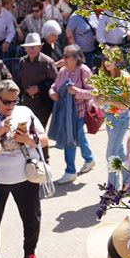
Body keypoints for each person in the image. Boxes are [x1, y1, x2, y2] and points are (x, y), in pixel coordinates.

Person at [0, 79, 46, 258]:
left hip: (25, 175)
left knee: (32, 218)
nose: (11, 106)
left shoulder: (25, 112)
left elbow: (44, 139)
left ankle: (30, 256)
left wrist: (27, 139)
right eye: (6, 102)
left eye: (14, 101)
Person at [47, 45, 95, 181]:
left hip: (79, 113)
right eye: (64, 55)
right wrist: (52, 92)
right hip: (64, 113)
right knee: (78, 137)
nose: (64, 59)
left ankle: (70, 171)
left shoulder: (84, 71)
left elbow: (95, 92)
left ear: (77, 58)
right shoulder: (63, 71)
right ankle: (89, 159)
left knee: (70, 140)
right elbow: (54, 87)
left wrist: (77, 92)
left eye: (67, 56)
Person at [98, 57, 130, 192]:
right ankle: (129, 182)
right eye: (105, 59)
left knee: (111, 154)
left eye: (110, 59)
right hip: (109, 117)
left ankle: (111, 189)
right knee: (119, 152)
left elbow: (127, 103)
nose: (107, 62)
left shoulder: (124, 77)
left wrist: (107, 99)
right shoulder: (105, 77)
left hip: (121, 118)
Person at [14, 31, 57, 128]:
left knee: (39, 128)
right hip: (27, 101)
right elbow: (20, 81)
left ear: (40, 47)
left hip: (43, 102)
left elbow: (55, 82)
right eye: (28, 47)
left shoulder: (47, 62)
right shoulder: (22, 61)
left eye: (33, 47)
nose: (30, 50)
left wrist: (39, 88)